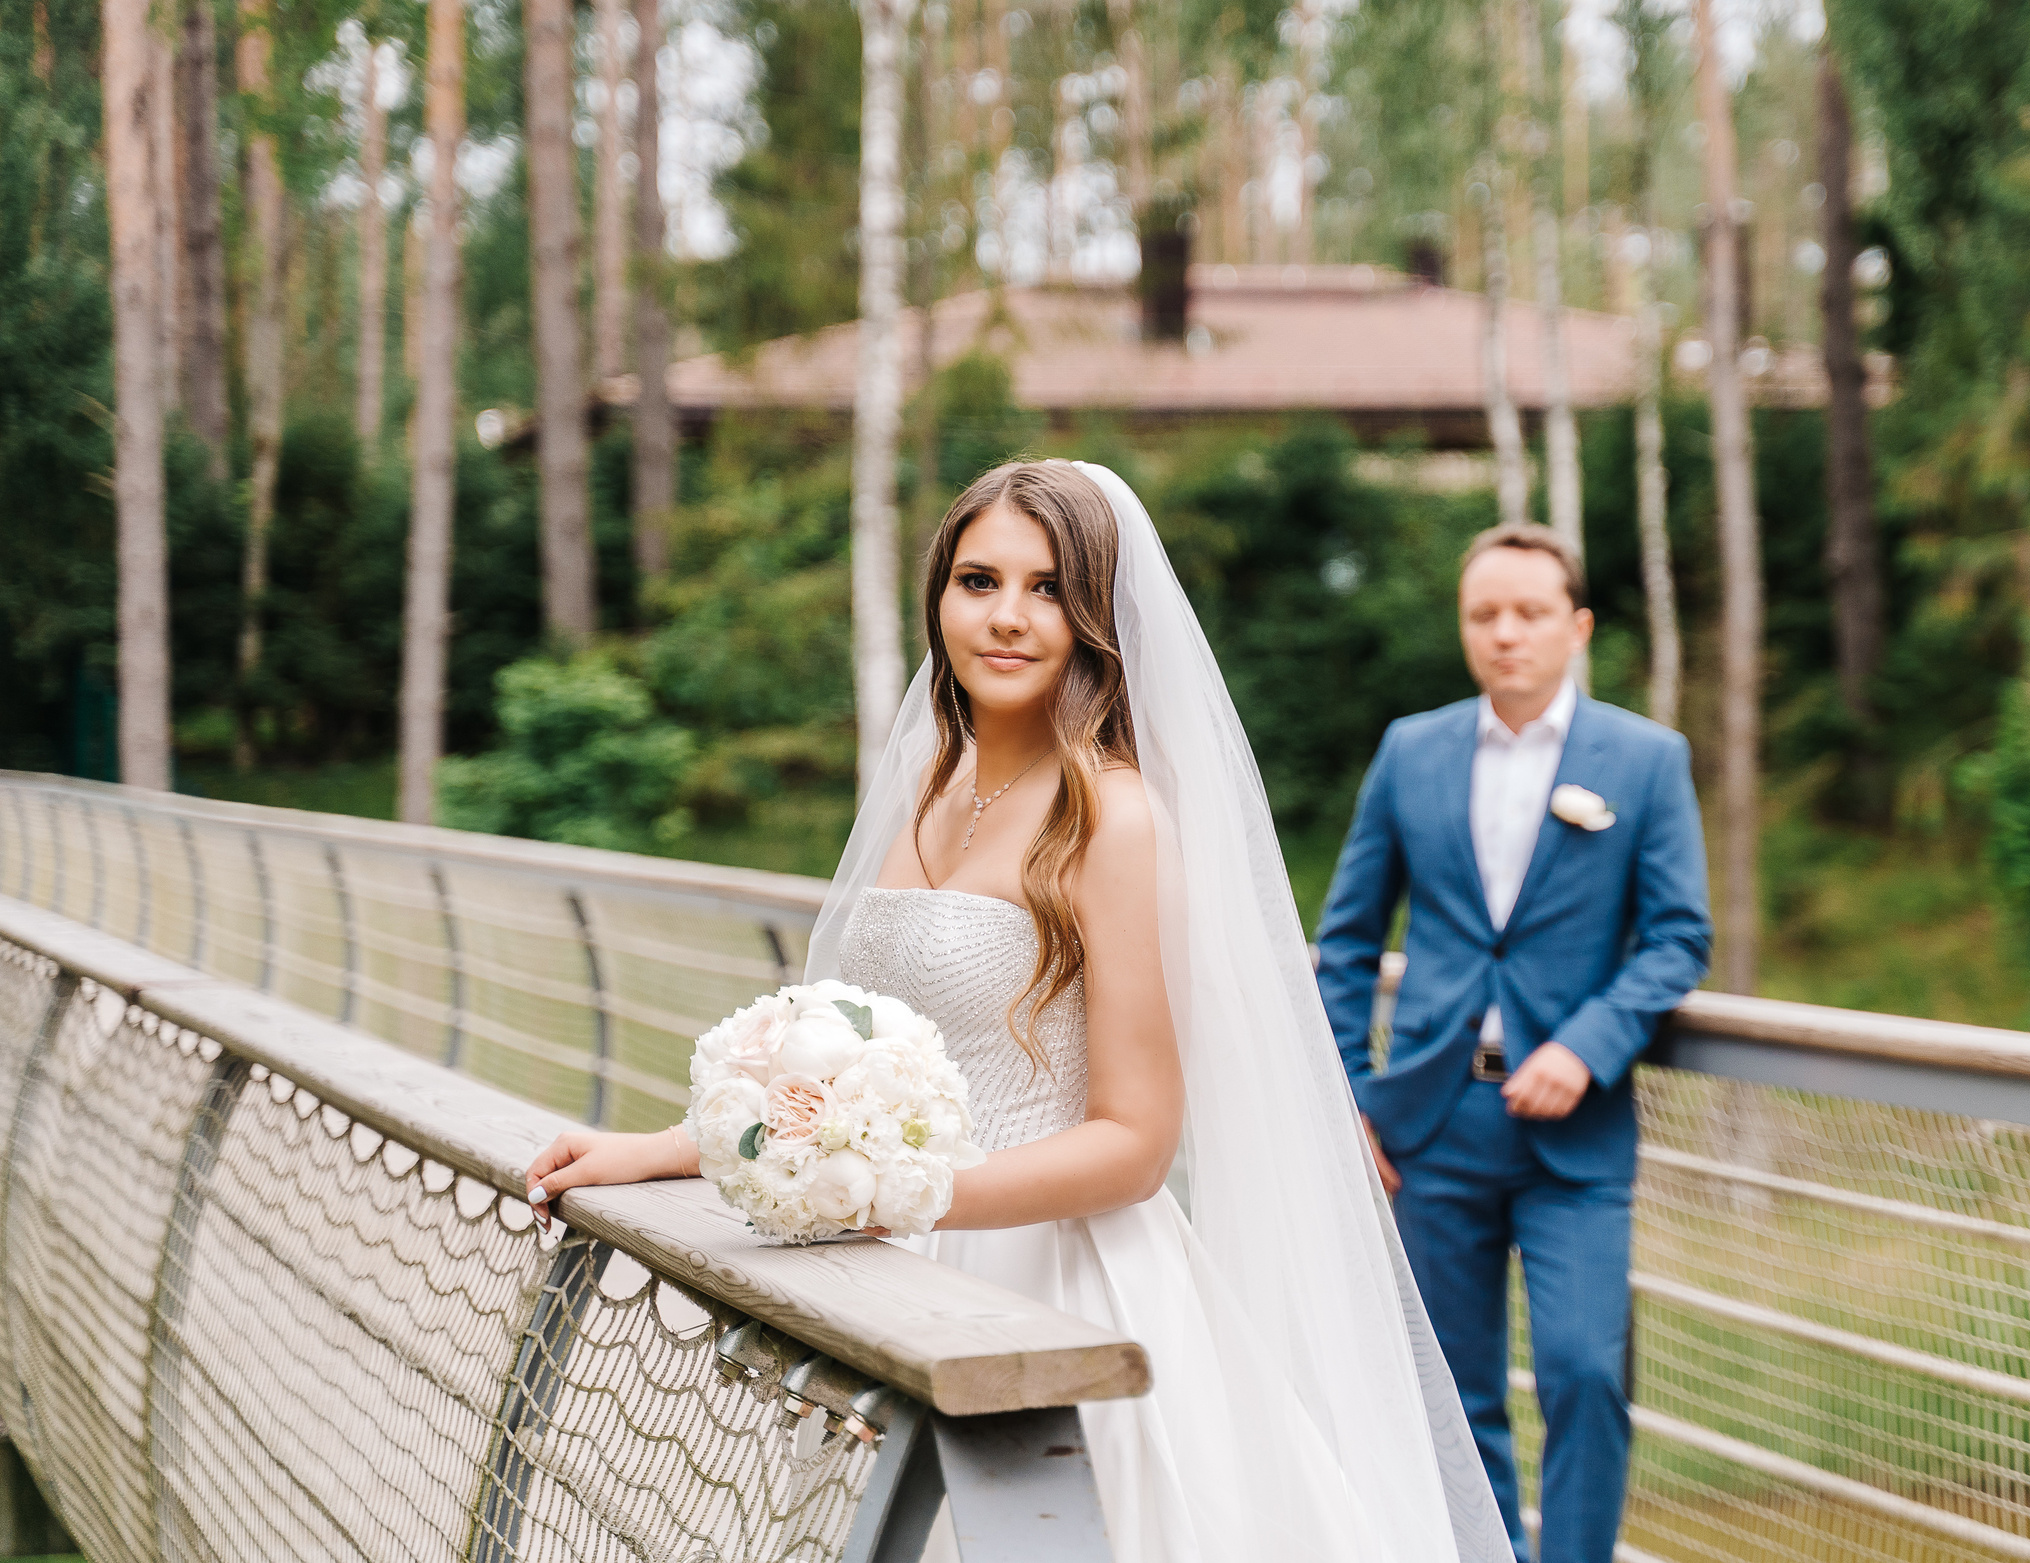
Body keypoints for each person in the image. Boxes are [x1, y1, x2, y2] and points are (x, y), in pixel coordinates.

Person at [524, 460, 1510, 1563]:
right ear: (937, 594)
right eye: (977, 579)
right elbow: (847, 1075)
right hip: (891, 1265)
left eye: (1046, 588)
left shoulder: (1114, 818)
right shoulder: (923, 787)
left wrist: (890, 1193)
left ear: (1095, 618)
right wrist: (671, 1150)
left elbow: (1135, 1145)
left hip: (1057, 1289)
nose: (1006, 617)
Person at [1314, 524, 1711, 1563]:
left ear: (1575, 627)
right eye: (1483, 614)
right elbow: (1347, 942)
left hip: (1574, 1131)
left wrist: (1586, 1044)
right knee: (1452, 1390)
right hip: (1431, 1125)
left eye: (1529, 613)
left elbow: (1678, 938)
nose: (1505, 634)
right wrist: (1350, 1093)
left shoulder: (1645, 759)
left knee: (1586, 1373)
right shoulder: (1411, 750)